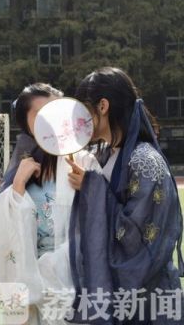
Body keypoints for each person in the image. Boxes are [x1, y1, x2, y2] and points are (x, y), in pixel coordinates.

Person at [67, 67, 184, 324]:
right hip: (120, 300)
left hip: (150, 302)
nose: (78, 122)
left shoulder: (145, 161)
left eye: (83, 111)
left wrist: (92, 188)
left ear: (103, 106)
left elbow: (139, 240)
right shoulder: (104, 156)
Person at [0, 83, 101, 324]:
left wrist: (91, 188)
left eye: (57, 111)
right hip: (27, 290)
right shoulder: (21, 171)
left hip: (71, 283)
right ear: (27, 124)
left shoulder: (85, 163)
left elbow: (100, 225)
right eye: (41, 114)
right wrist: (17, 189)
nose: (52, 120)